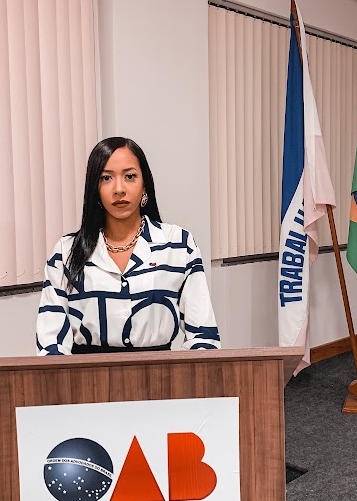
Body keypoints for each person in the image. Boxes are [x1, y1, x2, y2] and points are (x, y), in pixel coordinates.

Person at [36, 136, 220, 355]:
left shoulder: (179, 245)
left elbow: (203, 338)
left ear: (145, 186)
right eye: (106, 178)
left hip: (163, 382)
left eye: (130, 176)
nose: (119, 189)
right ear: (95, 188)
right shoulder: (66, 251)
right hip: (85, 383)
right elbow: (51, 345)